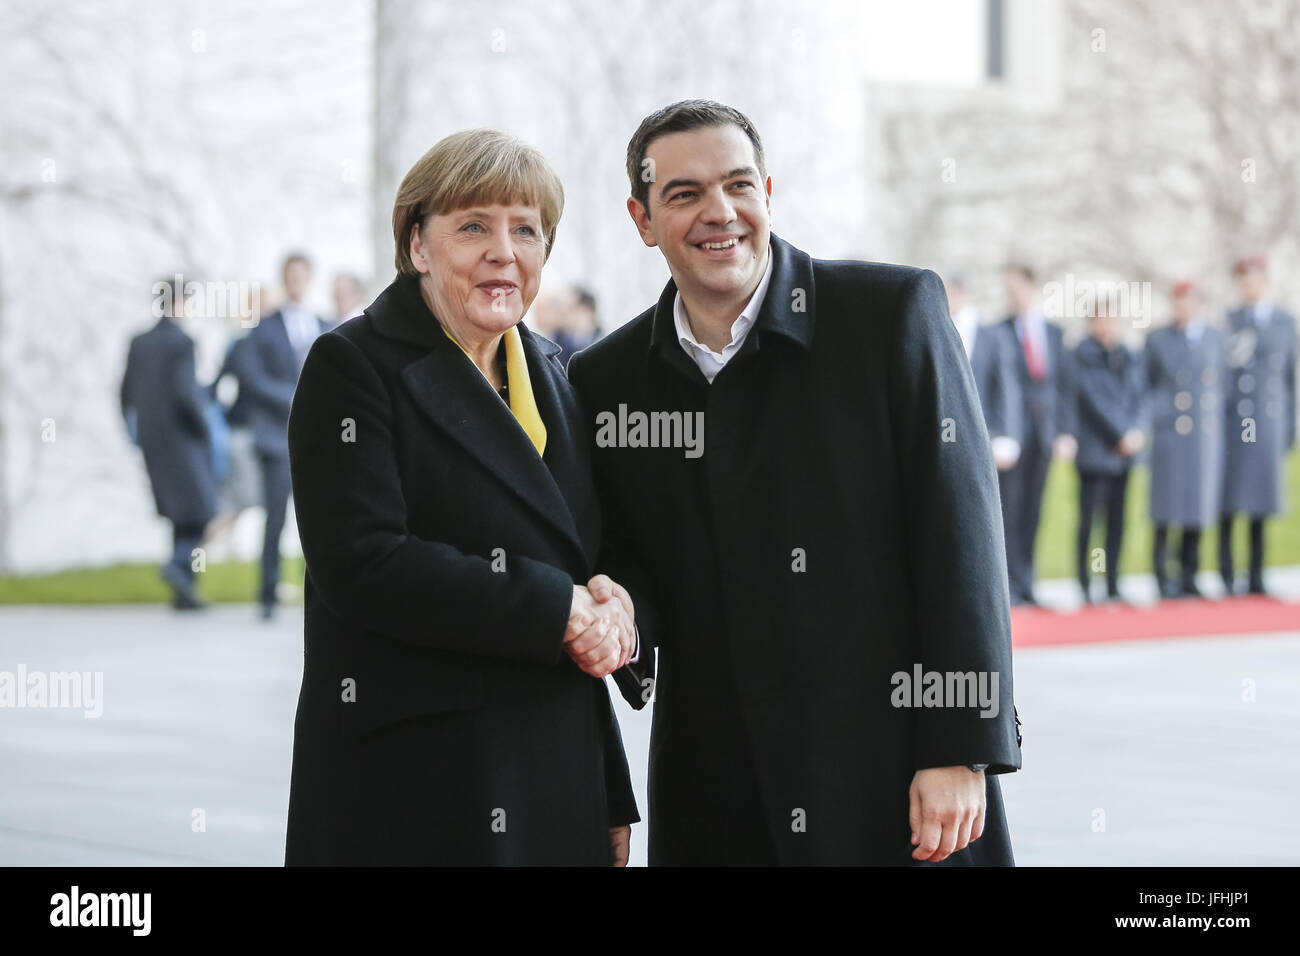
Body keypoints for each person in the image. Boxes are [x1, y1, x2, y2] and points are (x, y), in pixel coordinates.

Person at [568, 100, 1019, 866]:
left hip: (893, 767)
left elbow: (961, 539)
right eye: (685, 194)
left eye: (738, 185)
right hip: (714, 783)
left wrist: (960, 747)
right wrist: (619, 610)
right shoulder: (605, 379)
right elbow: (635, 562)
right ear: (642, 219)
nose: (721, 213)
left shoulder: (889, 315)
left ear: (767, 193)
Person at [283, 128, 639, 865]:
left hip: (553, 777)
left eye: (526, 230)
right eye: (473, 226)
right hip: (416, 783)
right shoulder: (351, 365)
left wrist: (608, 784)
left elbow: (583, 562)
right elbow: (364, 564)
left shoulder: (553, 371)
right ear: (417, 245)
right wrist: (556, 604)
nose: (503, 251)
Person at [226, 253, 329, 618]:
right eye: (291, 276)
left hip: (321, 441)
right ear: (284, 279)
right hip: (276, 438)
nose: (297, 282)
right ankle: (267, 595)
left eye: (303, 275)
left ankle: (319, 594)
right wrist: (293, 396)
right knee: (276, 517)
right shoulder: (264, 327)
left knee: (320, 521)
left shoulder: (325, 324)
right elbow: (251, 379)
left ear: (309, 278)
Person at [120, 277, 219, 610]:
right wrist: (205, 428)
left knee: (182, 513)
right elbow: (185, 394)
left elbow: (124, 394)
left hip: (152, 440)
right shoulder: (182, 342)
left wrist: (134, 434)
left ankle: (184, 591)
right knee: (204, 511)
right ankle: (178, 565)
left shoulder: (139, 342)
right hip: (184, 439)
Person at [998, 264, 1076, 606]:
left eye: (1018, 289)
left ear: (1032, 287)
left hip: (1044, 435)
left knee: (1035, 509)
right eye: (1008, 291)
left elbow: (1063, 388)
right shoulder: (997, 332)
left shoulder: (1055, 334)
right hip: (1012, 439)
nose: (1013, 297)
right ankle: (1008, 583)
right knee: (1008, 510)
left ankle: (1028, 580)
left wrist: (1064, 432)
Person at [1220, 254, 1297, 596]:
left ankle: (1256, 574)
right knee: (1230, 497)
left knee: (1261, 498)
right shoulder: (1230, 321)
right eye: (1242, 280)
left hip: (1265, 422)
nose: (1247, 286)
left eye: (1253, 279)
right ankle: (1225, 572)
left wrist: (1290, 426)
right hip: (1236, 422)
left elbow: (1291, 379)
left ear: (1264, 282)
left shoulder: (1283, 322)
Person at [1145, 280, 1224, 599]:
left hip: (1202, 436)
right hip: (1169, 433)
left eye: (1189, 302)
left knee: (1197, 505)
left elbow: (1222, 385)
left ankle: (1190, 574)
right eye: (1178, 302)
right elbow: (1148, 385)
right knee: (1166, 507)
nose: (1183, 308)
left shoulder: (1215, 338)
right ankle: (1163, 577)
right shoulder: (1157, 339)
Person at [1072, 302, 1145, 604]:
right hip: (1096, 452)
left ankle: (1112, 582)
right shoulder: (1082, 356)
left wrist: (1136, 430)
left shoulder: (1128, 356)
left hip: (1123, 455)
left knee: (1117, 522)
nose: (1107, 326)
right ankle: (1088, 583)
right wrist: (1121, 433)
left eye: (1112, 320)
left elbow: (1140, 397)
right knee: (1091, 522)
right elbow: (1092, 399)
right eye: (1102, 320)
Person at [945, 273, 1023, 475]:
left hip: (985, 432)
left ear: (959, 293)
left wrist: (1008, 436)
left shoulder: (992, 336)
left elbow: (1007, 387)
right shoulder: (935, 331)